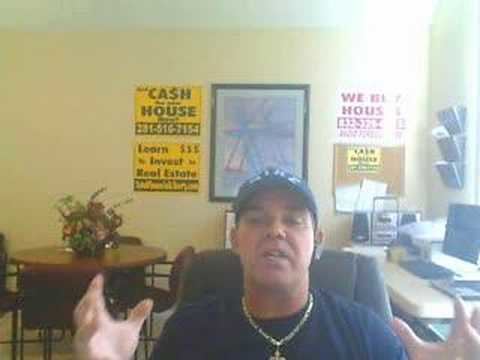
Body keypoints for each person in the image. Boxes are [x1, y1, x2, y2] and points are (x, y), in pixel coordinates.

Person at [74, 168, 480, 360]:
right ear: (235, 240)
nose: (276, 230)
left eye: (293, 219)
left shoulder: (366, 335)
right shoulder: (189, 332)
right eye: (256, 219)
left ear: (317, 242)